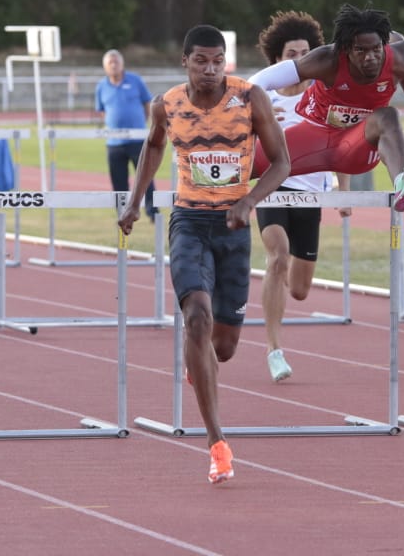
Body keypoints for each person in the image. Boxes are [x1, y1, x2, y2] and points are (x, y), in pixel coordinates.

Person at [118, 25, 290, 484]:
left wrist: (249, 201)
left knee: (225, 348)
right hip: (190, 222)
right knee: (196, 317)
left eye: (218, 61)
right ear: (185, 61)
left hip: (234, 227)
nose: (211, 70)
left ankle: (199, 364)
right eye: (201, 61)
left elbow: (282, 163)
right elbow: (152, 147)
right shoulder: (167, 104)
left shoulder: (250, 98)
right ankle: (218, 444)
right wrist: (136, 201)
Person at [248, 3, 404, 212]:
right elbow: (259, 81)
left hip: (356, 144)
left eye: (376, 49)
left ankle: (402, 184)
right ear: (346, 50)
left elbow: (400, 70)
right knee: (239, 167)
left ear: (384, 45)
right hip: (313, 137)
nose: (370, 57)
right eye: (360, 51)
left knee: (388, 115)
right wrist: (258, 105)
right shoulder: (326, 60)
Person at [252, 11, 350, 383]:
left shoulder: (323, 97)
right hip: (272, 187)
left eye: (306, 52)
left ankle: (280, 294)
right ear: (277, 60)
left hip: (312, 195)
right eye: (291, 54)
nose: (299, 60)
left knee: (300, 289)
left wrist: (345, 192)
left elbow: (341, 146)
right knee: (276, 257)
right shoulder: (262, 97)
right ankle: (274, 350)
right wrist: (256, 123)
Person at [95, 49, 156, 221]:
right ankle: (123, 214)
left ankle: (152, 211)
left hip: (137, 140)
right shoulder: (101, 86)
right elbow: (102, 111)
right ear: (105, 67)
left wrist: (141, 124)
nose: (113, 65)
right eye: (110, 63)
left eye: (116, 62)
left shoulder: (135, 80)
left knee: (145, 177)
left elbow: (147, 102)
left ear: (122, 64)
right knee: (119, 182)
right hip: (114, 143)